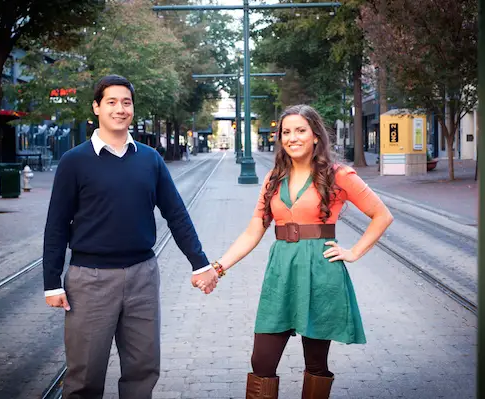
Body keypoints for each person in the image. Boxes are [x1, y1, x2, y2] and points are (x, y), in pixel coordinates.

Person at [196, 104, 394, 398]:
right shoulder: (274, 177)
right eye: (286, 132)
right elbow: (254, 230)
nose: (292, 138)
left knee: (315, 362)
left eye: (300, 130)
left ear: (316, 136)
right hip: (282, 273)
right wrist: (218, 267)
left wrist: (353, 252)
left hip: (320, 272)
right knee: (261, 361)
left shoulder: (338, 175)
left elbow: (382, 215)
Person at [43, 74, 219, 399]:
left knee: (143, 370)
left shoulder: (150, 159)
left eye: (126, 102)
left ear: (132, 109)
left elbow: (176, 214)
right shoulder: (74, 162)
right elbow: (56, 225)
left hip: (143, 276)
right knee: (85, 377)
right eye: (111, 101)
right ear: (96, 107)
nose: (120, 109)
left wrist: (200, 264)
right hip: (90, 281)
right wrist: (52, 282)